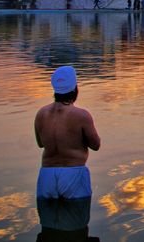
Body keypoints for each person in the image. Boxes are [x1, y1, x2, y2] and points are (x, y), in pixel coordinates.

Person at [34, 66, 101, 201]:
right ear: (75, 89)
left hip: (47, 174)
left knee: (47, 214)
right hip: (73, 172)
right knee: (78, 214)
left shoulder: (41, 114)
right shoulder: (81, 115)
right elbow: (95, 145)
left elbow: (41, 144)